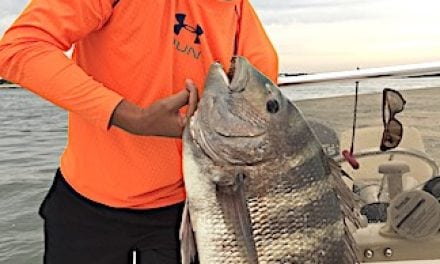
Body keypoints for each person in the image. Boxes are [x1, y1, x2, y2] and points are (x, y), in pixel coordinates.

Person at [0, 0, 278, 263]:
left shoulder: (236, 7)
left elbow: (262, 95)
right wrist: (130, 116)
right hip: (87, 205)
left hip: (188, 210)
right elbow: (20, 47)